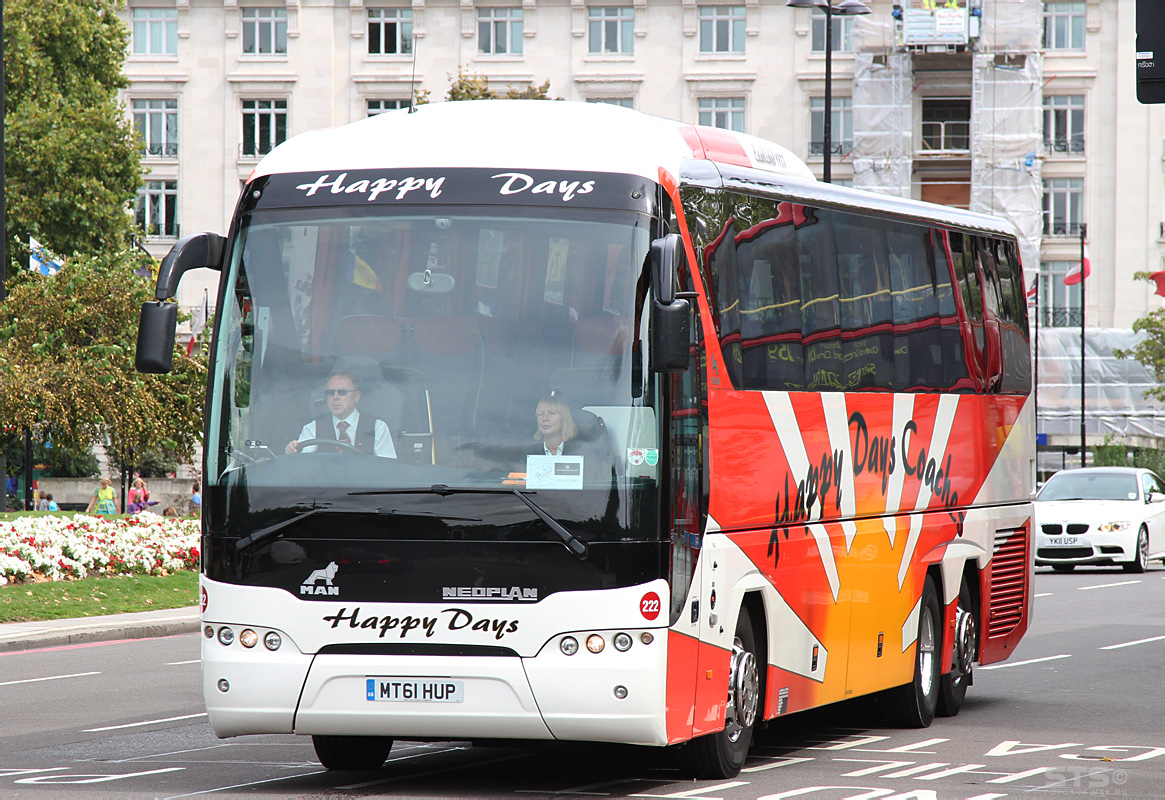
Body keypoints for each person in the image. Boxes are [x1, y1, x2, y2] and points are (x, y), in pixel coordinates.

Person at [286, 370, 397, 457]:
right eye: (330, 392)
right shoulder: (312, 428)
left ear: (356, 396)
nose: (335, 397)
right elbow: (301, 464)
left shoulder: (377, 427)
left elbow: (387, 468)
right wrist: (292, 450)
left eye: (342, 392)